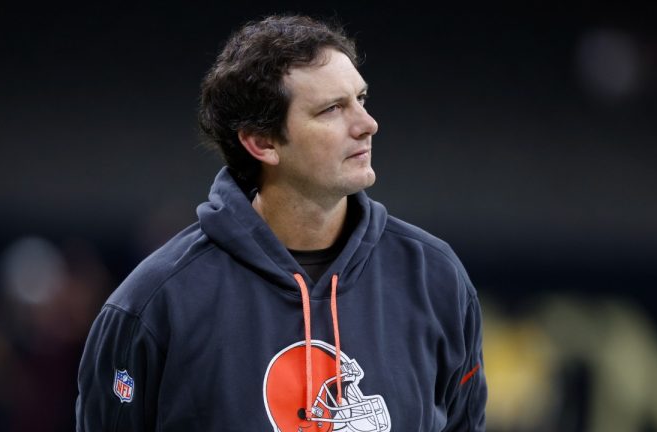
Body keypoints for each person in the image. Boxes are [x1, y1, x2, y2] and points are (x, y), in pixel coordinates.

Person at [76, 14, 487, 431]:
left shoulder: (436, 278)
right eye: (332, 109)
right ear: (262, 142)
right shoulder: (155, 302)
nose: (367, 124)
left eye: (361, 99)